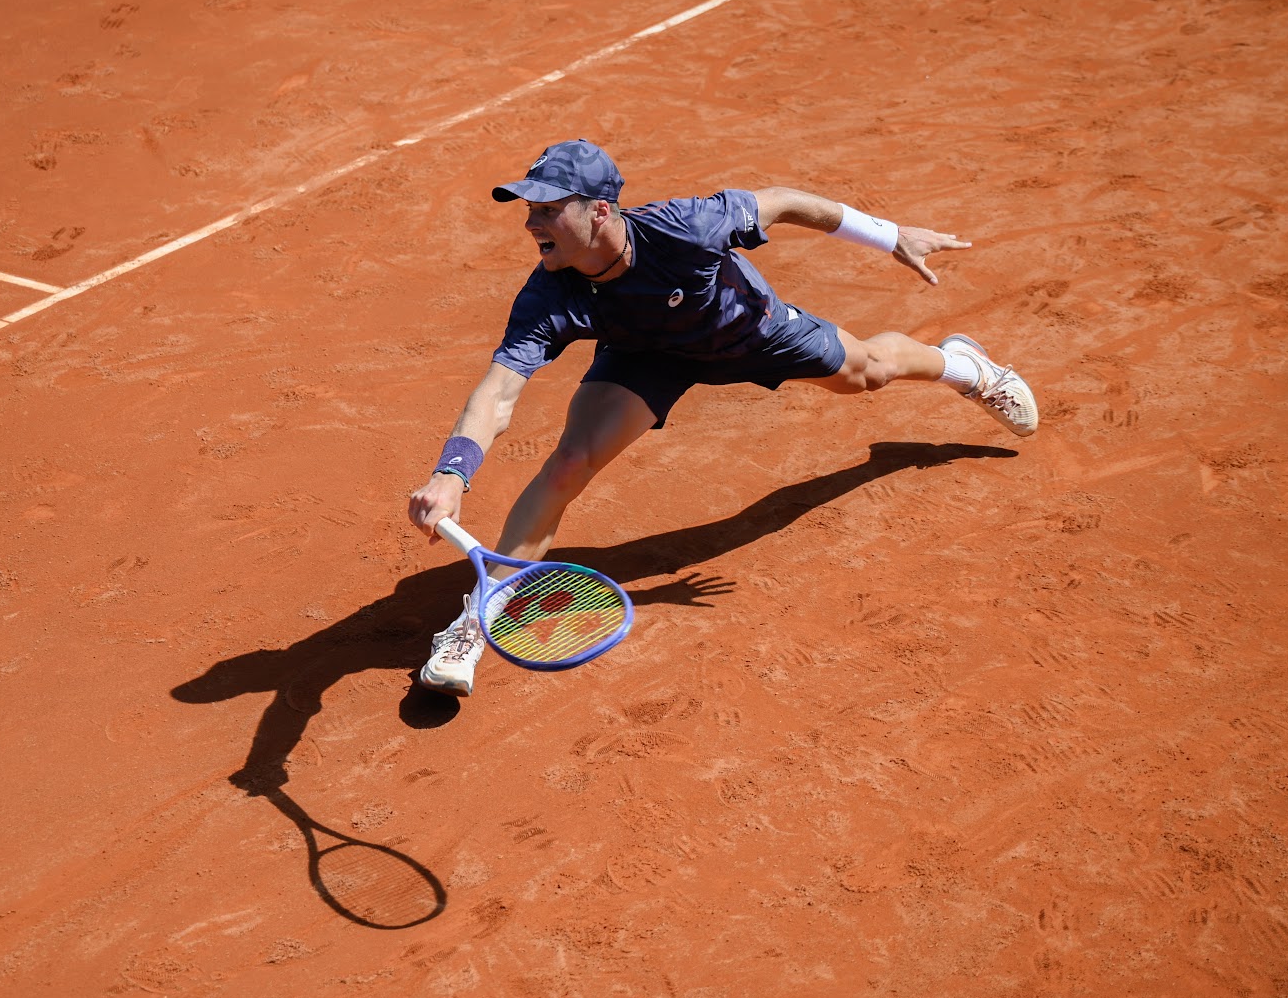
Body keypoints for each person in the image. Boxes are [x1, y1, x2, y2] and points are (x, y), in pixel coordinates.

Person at [404, 139, 1037, 696]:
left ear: (599, 211)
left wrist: (887, 233)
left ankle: (964, 366)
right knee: (570, 462)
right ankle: (479, 617)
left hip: (748, 330)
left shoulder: (685, 228)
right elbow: (498, 392)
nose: (531, 224)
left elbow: (782, 201)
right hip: (647, 357)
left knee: (868, 370)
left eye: (547, 209)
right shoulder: (549, 291)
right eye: (529, 209)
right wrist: (452, 475)